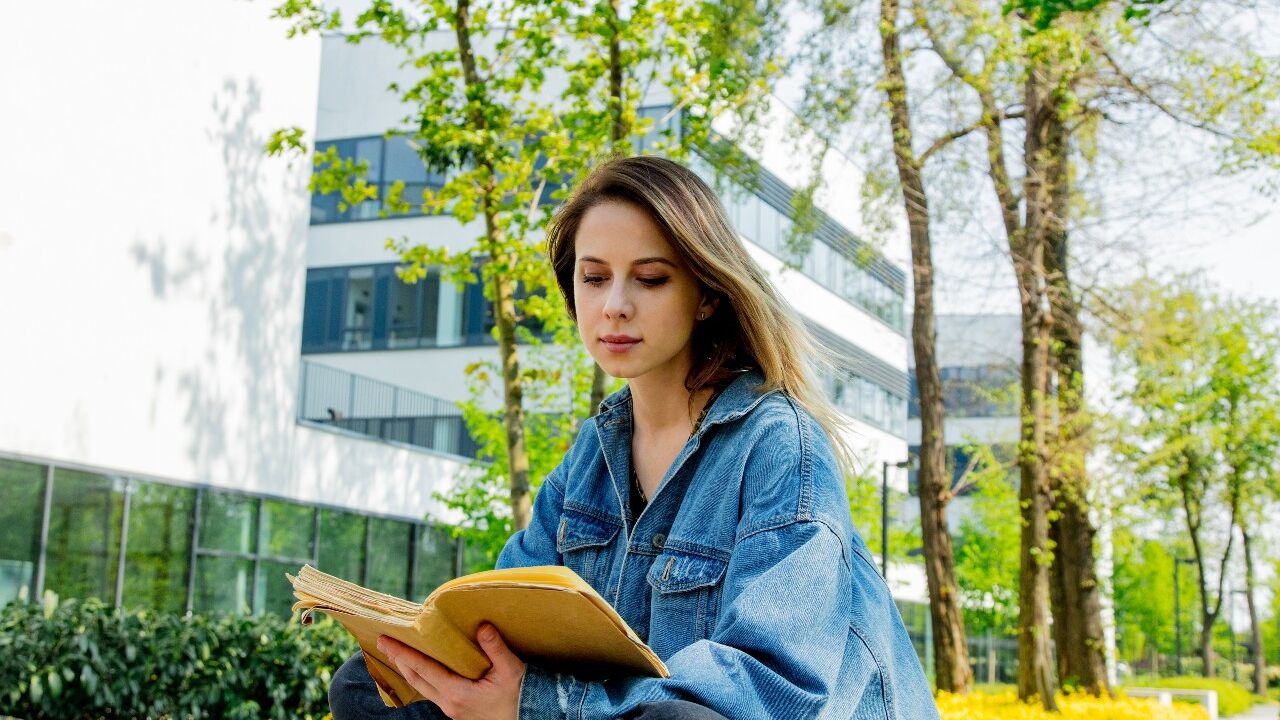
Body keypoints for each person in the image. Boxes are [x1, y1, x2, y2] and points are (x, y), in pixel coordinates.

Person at [328, 156, 939, 720]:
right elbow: (502, 613)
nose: (614, 305)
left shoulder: (780, 447)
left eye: (649, 279)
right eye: (594, 278)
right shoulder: (593, 453)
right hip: (612, 711)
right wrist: (448, 656)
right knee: (371, 685)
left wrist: (537, 705)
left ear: (706, 295)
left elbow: (772, 688)